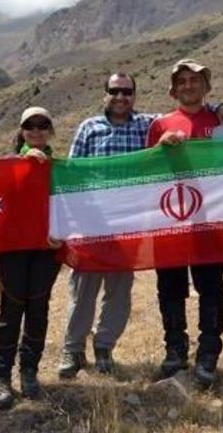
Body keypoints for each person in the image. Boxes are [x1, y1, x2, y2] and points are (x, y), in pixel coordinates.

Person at [58, 72, 154, 378]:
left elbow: (183, 116)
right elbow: (71, 173)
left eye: (127, 92)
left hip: (128, 226)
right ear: (105, 95)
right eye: (115, 91)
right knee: (83, 290)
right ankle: (73, 351)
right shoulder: (89, 128)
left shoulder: (146, 125)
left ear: (134, 96)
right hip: (91, 225)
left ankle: (104, 347)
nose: (121, 97)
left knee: (119, 291)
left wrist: (216, 107)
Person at [146, 59, 223, 388]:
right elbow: (146, 171)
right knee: (170, 287)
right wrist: (159, 149)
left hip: (210, 220)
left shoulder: (219, 121)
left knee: (211, 288)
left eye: (195, 80)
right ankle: (175, 350)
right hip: (170, 220)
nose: (189, 86)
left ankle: (208, 353)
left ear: (206, 87)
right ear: (173, 89)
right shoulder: (159, 124)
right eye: (182, 81)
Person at [0, 107, 64, 410]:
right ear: (21, 131)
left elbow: (68, 207)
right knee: (11, 308)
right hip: (13, 250)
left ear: (50, 131)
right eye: (30, 126)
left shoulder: (60, 167)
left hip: (47, 249)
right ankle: (2, 376)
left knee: (38, 308)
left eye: (42, 125)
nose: (36, 131)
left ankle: (29, 371)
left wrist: (60, 233)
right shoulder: (9, 165)